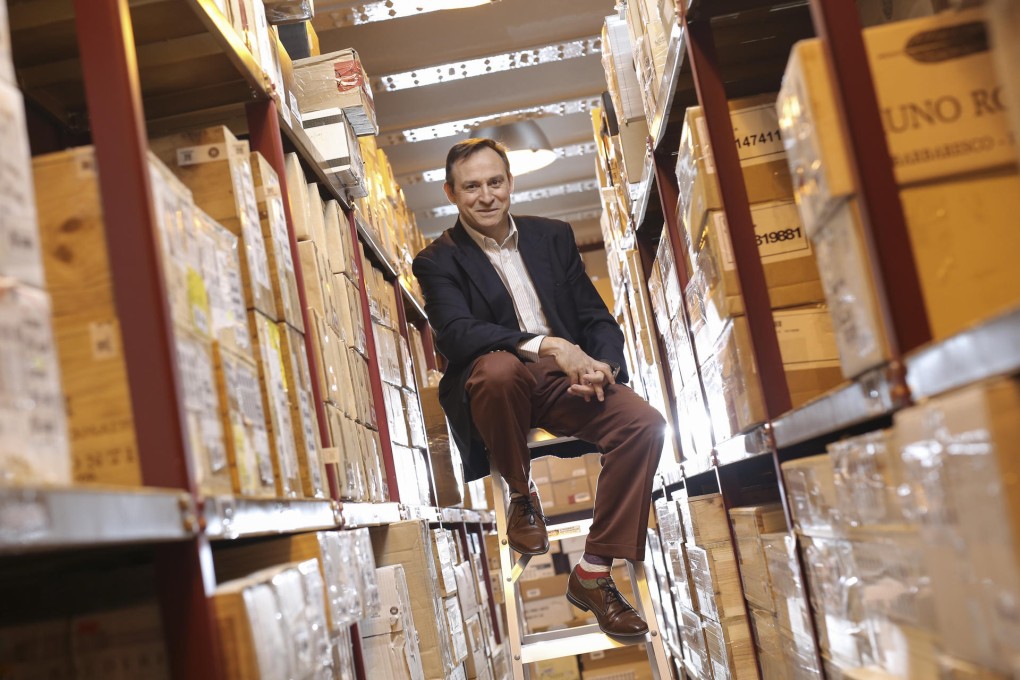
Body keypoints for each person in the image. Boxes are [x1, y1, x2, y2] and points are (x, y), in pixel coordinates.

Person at [412, 138, 666, 637]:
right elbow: (456, 335)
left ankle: (594, 571)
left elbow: (595, 318)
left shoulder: (552, 236)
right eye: (472, 187)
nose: (487, 196)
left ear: (510, 182)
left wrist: (601, 365)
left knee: (646, 425)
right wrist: (549, 344)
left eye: (495, 182)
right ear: (450, 193)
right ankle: (521, 492)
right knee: (498, 369)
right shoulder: (437, 260)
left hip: (564, 381)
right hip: (496, 388)